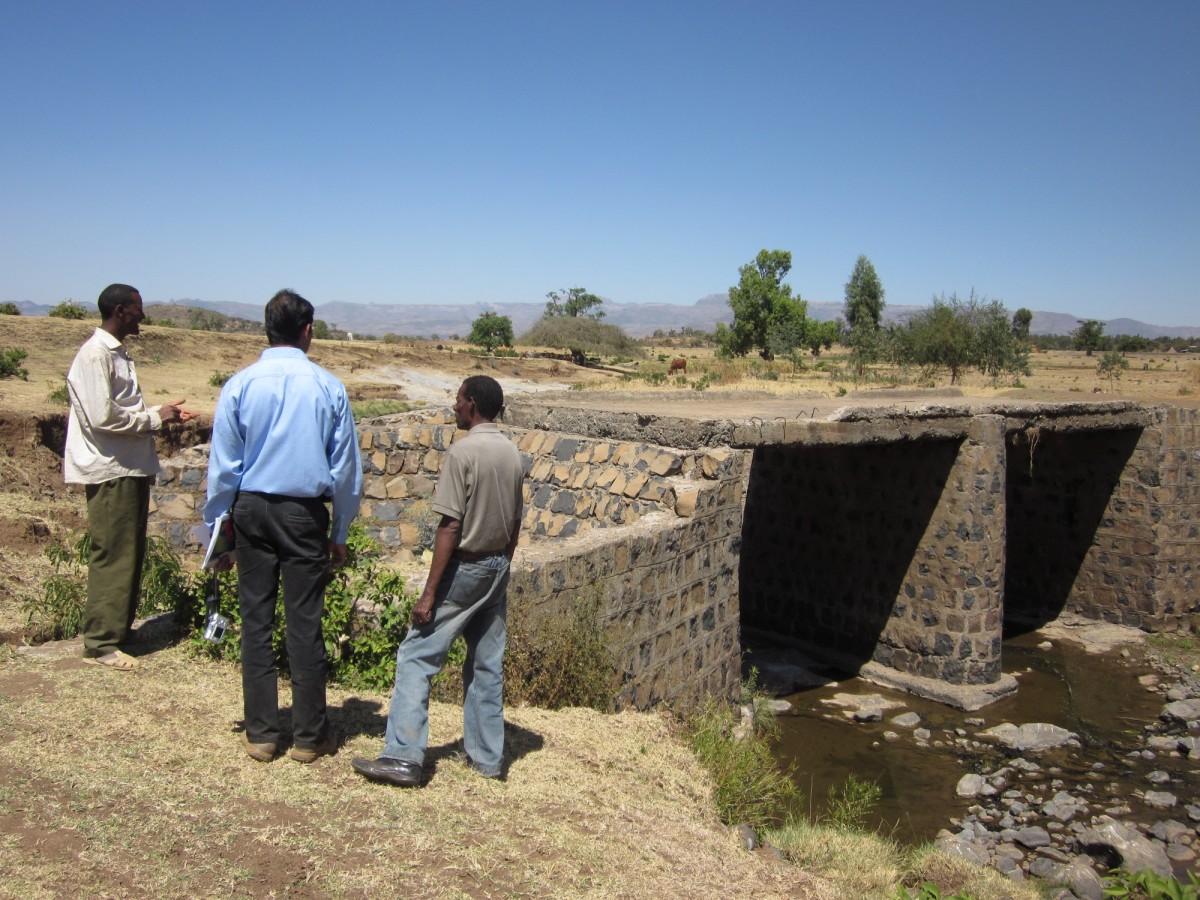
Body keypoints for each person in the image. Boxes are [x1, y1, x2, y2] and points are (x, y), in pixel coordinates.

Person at [204, 289, 363, 764]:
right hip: (303, 514)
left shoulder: (240, 385)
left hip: (250, 509)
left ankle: (262, 734)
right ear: (308, 330)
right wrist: (340, 533)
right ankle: (311, 738)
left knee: (256, 620)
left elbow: (224, 467)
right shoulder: (327, 387)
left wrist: (219, 526)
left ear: (267, 329)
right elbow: (346, 472)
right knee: (304, 622)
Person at [352, 375, 523, 787]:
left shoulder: (463, 453)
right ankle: (487, 760)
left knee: (417, 655)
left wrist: (429, 593)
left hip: (466, 567)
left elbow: (449, 527)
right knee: (485, 663)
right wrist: (502, 565)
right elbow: (516, 521)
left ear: (474, 405)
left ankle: (403, 756)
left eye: (458, 400)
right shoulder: (512, 453)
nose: (454, 407)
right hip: (497, 564)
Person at [64, 283, 193, 670]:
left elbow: (117, 410)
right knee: (114, 552)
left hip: (126, 466)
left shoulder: (114, 354)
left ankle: (117, 629)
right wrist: (155, 417)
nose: (142, 315)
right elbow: (103, 417)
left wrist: (161, 411)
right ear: (121, 311)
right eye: (138, 308)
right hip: (111, 469)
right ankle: (101, 643)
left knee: (129, 550)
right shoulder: (94, 355)